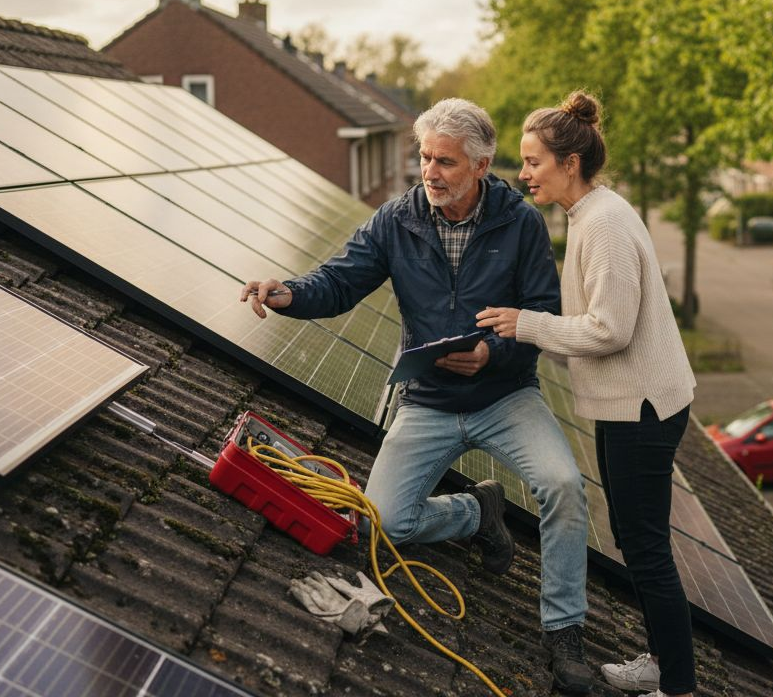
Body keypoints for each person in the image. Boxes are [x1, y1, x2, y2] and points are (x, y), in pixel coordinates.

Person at [239, 98, 594, 694]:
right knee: (381, 525)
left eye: (446, 162)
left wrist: (491, 354)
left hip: (505, 396)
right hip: (427, 400)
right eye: (425, 158)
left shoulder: (521, 224)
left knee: (563, 485)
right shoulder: (395, 220)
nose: (430, 172)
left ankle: (564, 631)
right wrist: (289, 295)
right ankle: (476, 512)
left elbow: (542, 315)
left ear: (481, 166)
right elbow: (338, 281)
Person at [476, 91, 697, 697]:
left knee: (647, 550)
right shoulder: (590, 213)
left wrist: (526, 323)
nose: (522, 175)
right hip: (629, 406)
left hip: (643, 409)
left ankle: (677, 686)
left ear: (569, 164)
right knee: (632, 537)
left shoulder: (601, 225)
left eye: (533, 162)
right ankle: (662, 660)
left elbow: (610, 329)